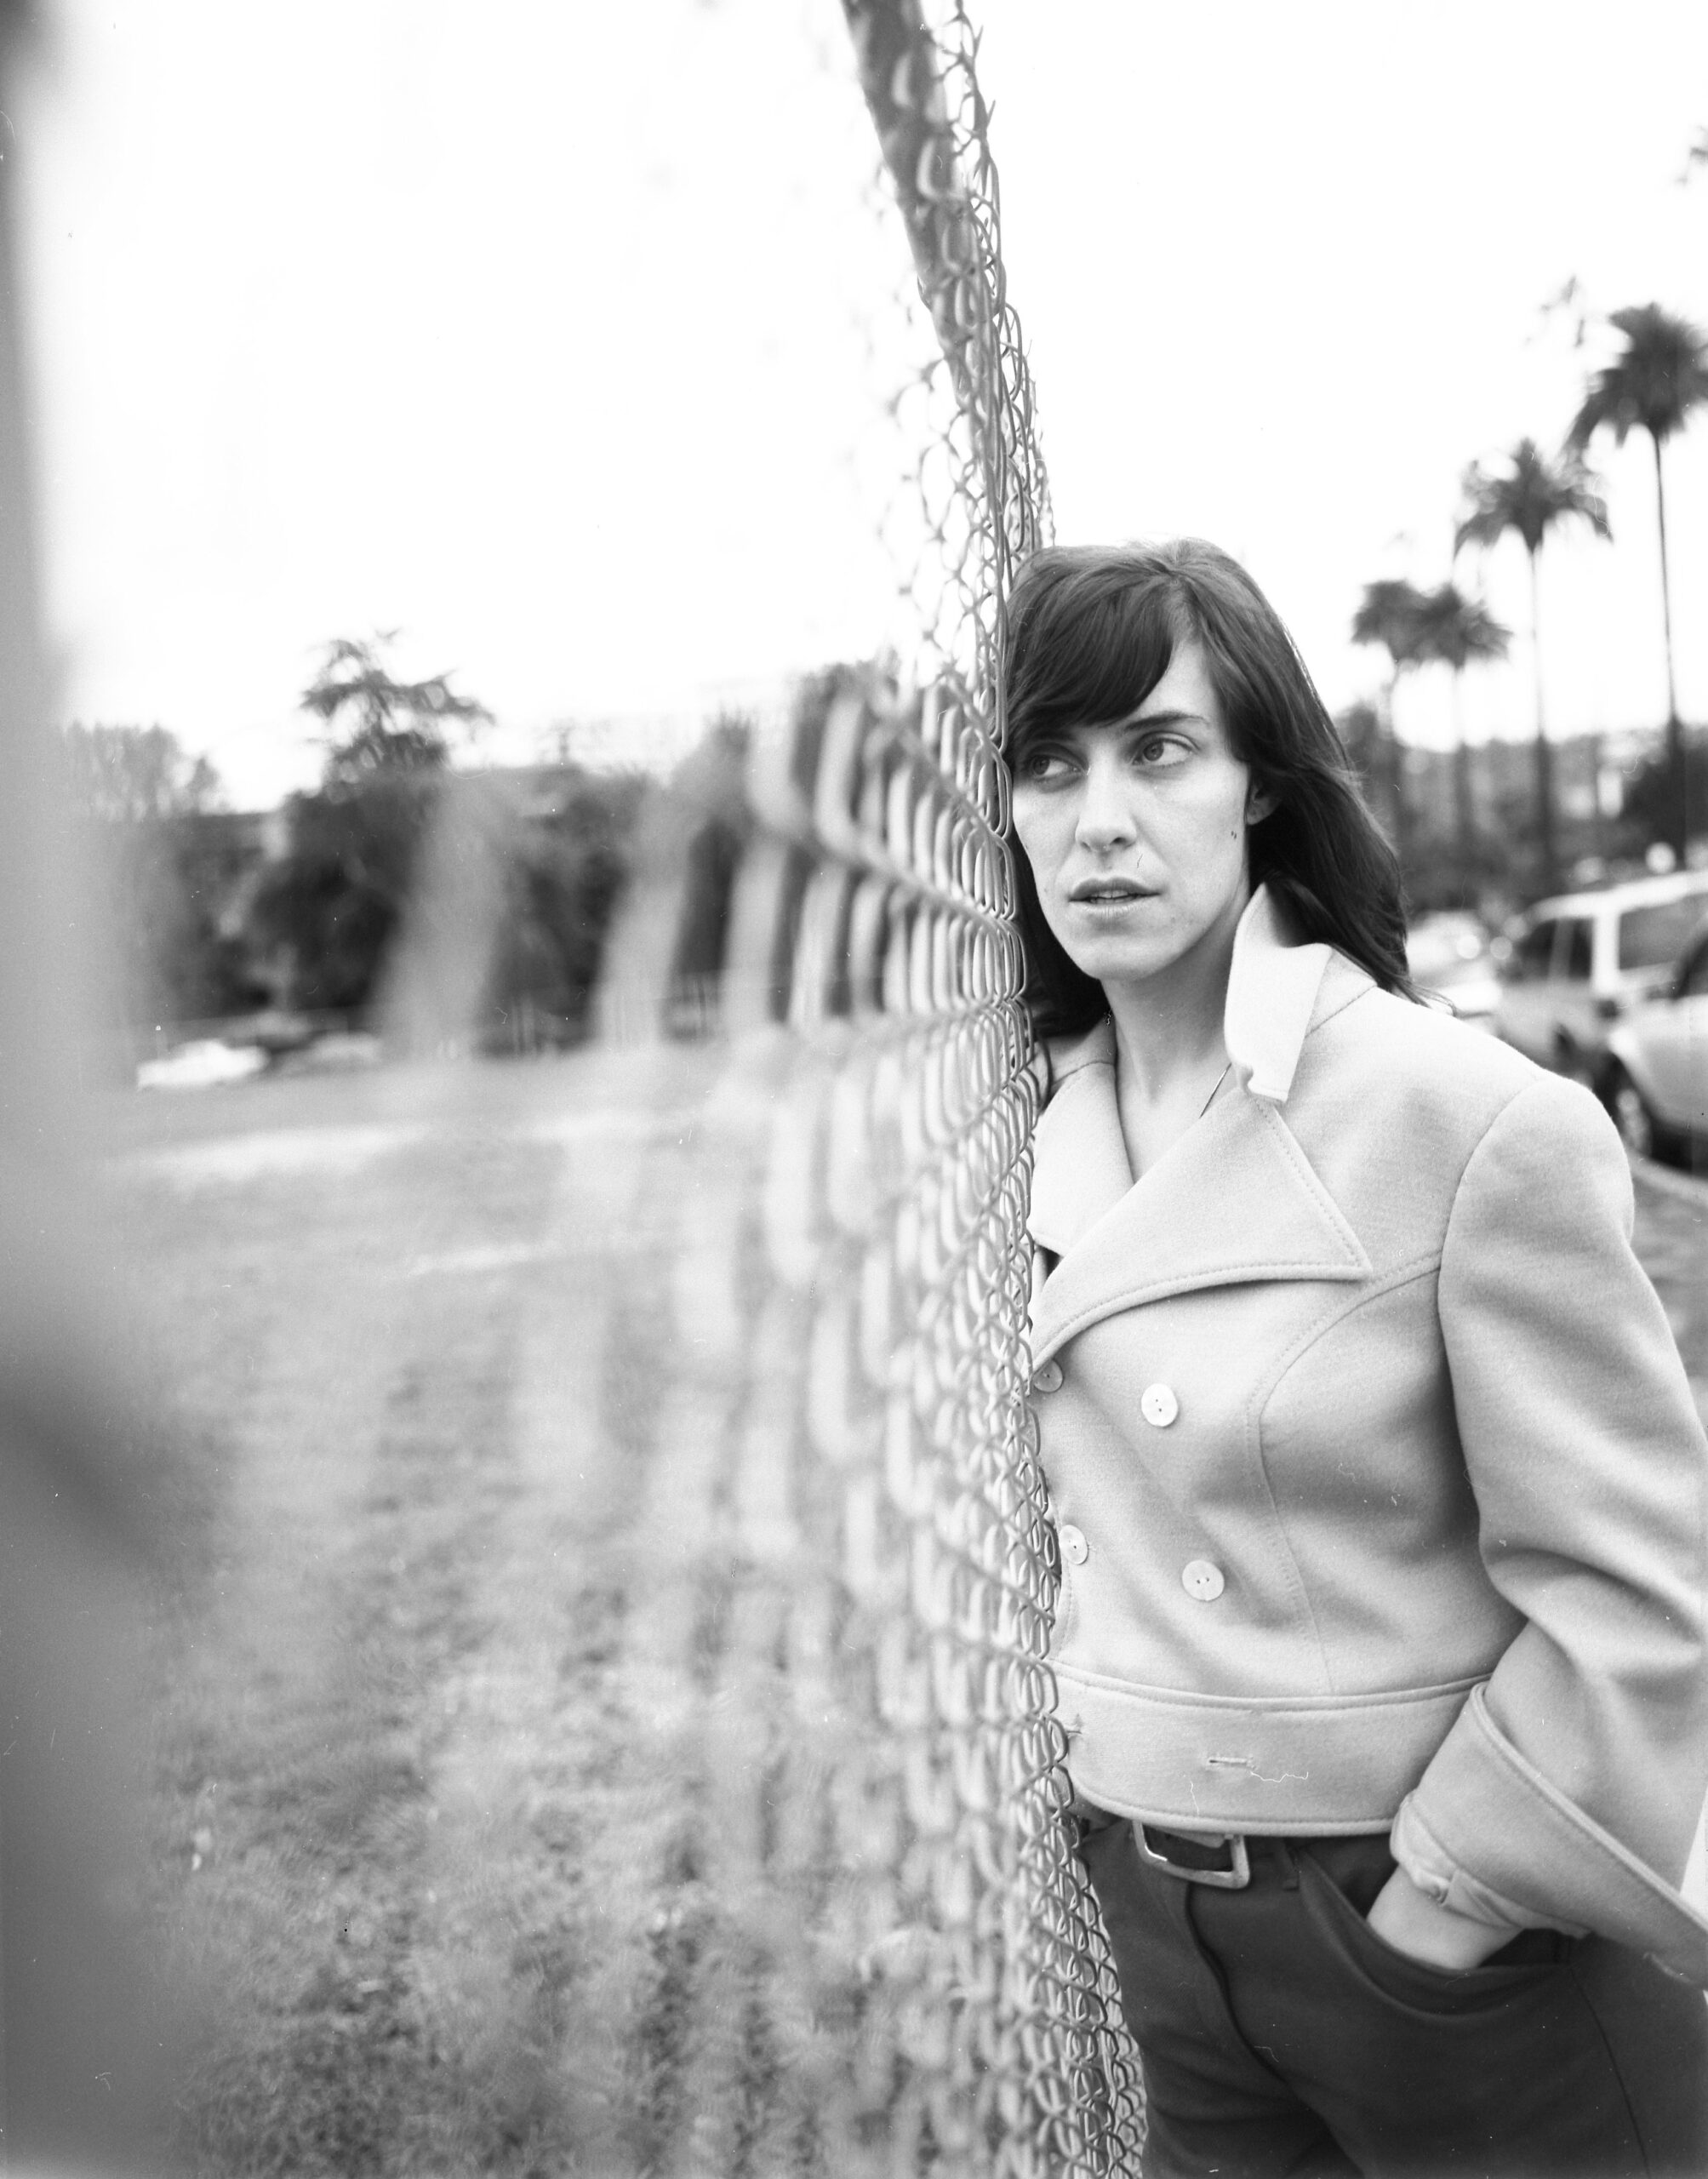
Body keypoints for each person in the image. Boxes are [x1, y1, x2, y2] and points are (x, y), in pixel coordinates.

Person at [1003, 539, 1708, 2178]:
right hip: (1159, 1945)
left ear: (1258, 785)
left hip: (1442, 1943)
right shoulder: (1020, 1140)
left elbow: (1640, 1584)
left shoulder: (1467, 1123)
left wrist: (1439, 1907)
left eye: (1158, 750)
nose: (1098, 817)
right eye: (1051, 765)